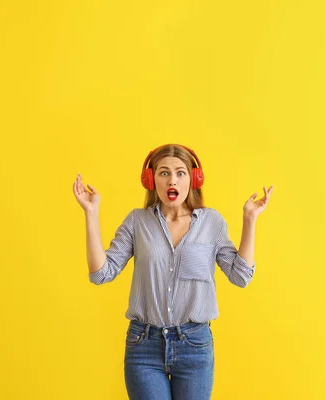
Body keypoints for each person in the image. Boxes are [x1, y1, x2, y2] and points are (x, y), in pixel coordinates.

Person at [72, 144, 274, 400]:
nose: (172, 180)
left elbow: (241, 276)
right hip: (144, 345)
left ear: (193, 179)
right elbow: (101, 273)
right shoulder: (137, 222)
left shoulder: (212, 222)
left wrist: (250, 219)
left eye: (180, 173)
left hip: (194, 345)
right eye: (164, 173)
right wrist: (91, 213)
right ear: (151, 179)